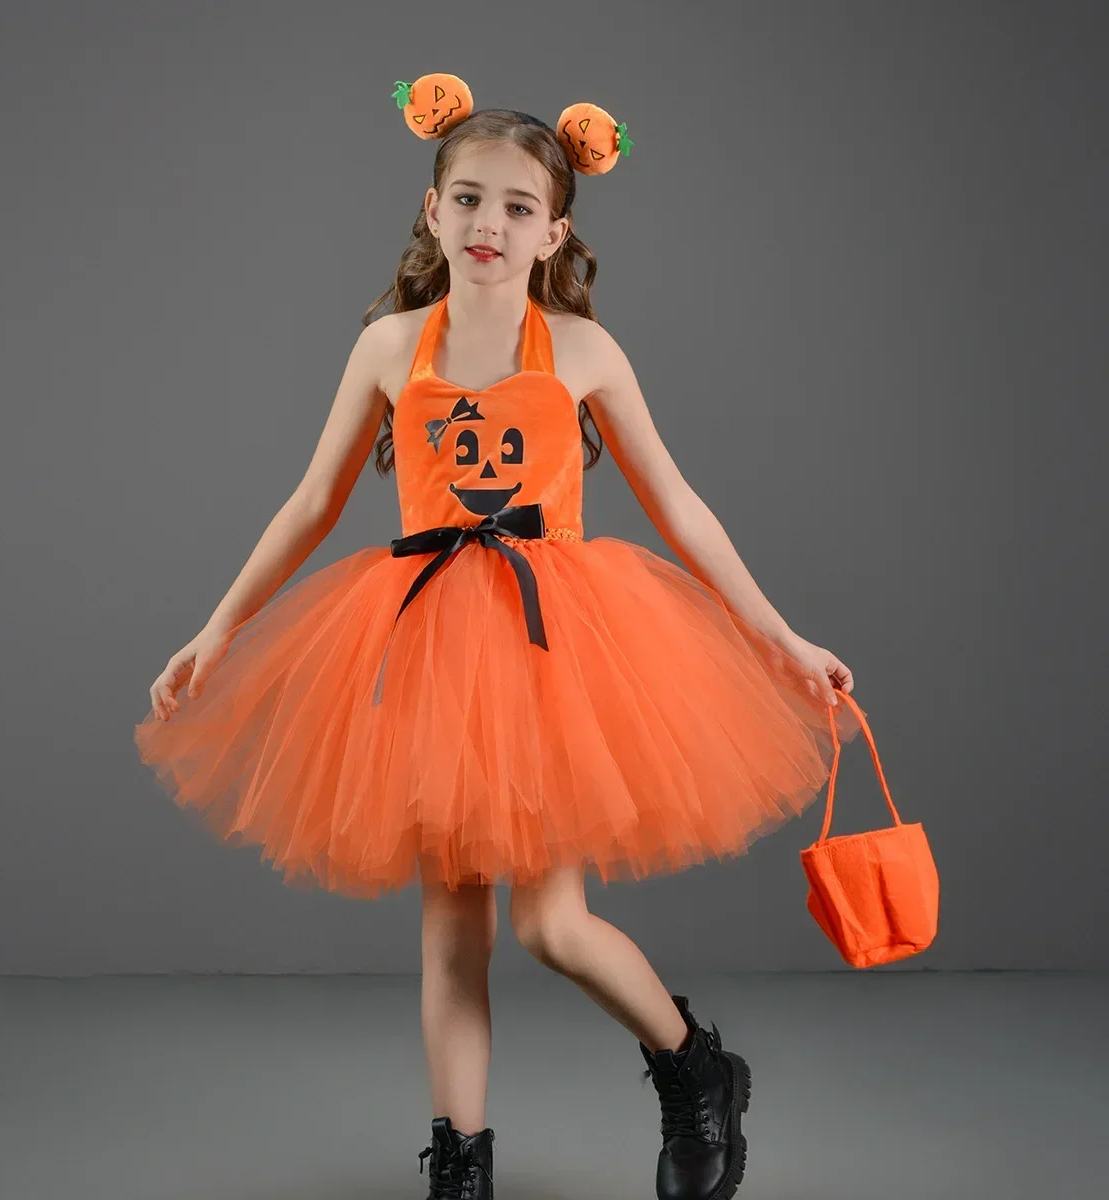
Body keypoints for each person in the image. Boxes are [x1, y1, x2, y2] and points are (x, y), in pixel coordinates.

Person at [134, 77, 865, 1200]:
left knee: (554, 926)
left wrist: (779, 639)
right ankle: (460, 1165)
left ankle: (696, 1068)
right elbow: (314, 502)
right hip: (431, 639)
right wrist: (216, 627)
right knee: (451, 931)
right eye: (468, 198)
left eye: (519, 207)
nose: (489, 223)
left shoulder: (582, 349)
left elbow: (679, 507)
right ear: (432, 211)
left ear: (554, 233)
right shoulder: (390, 347)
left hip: (548, 647)